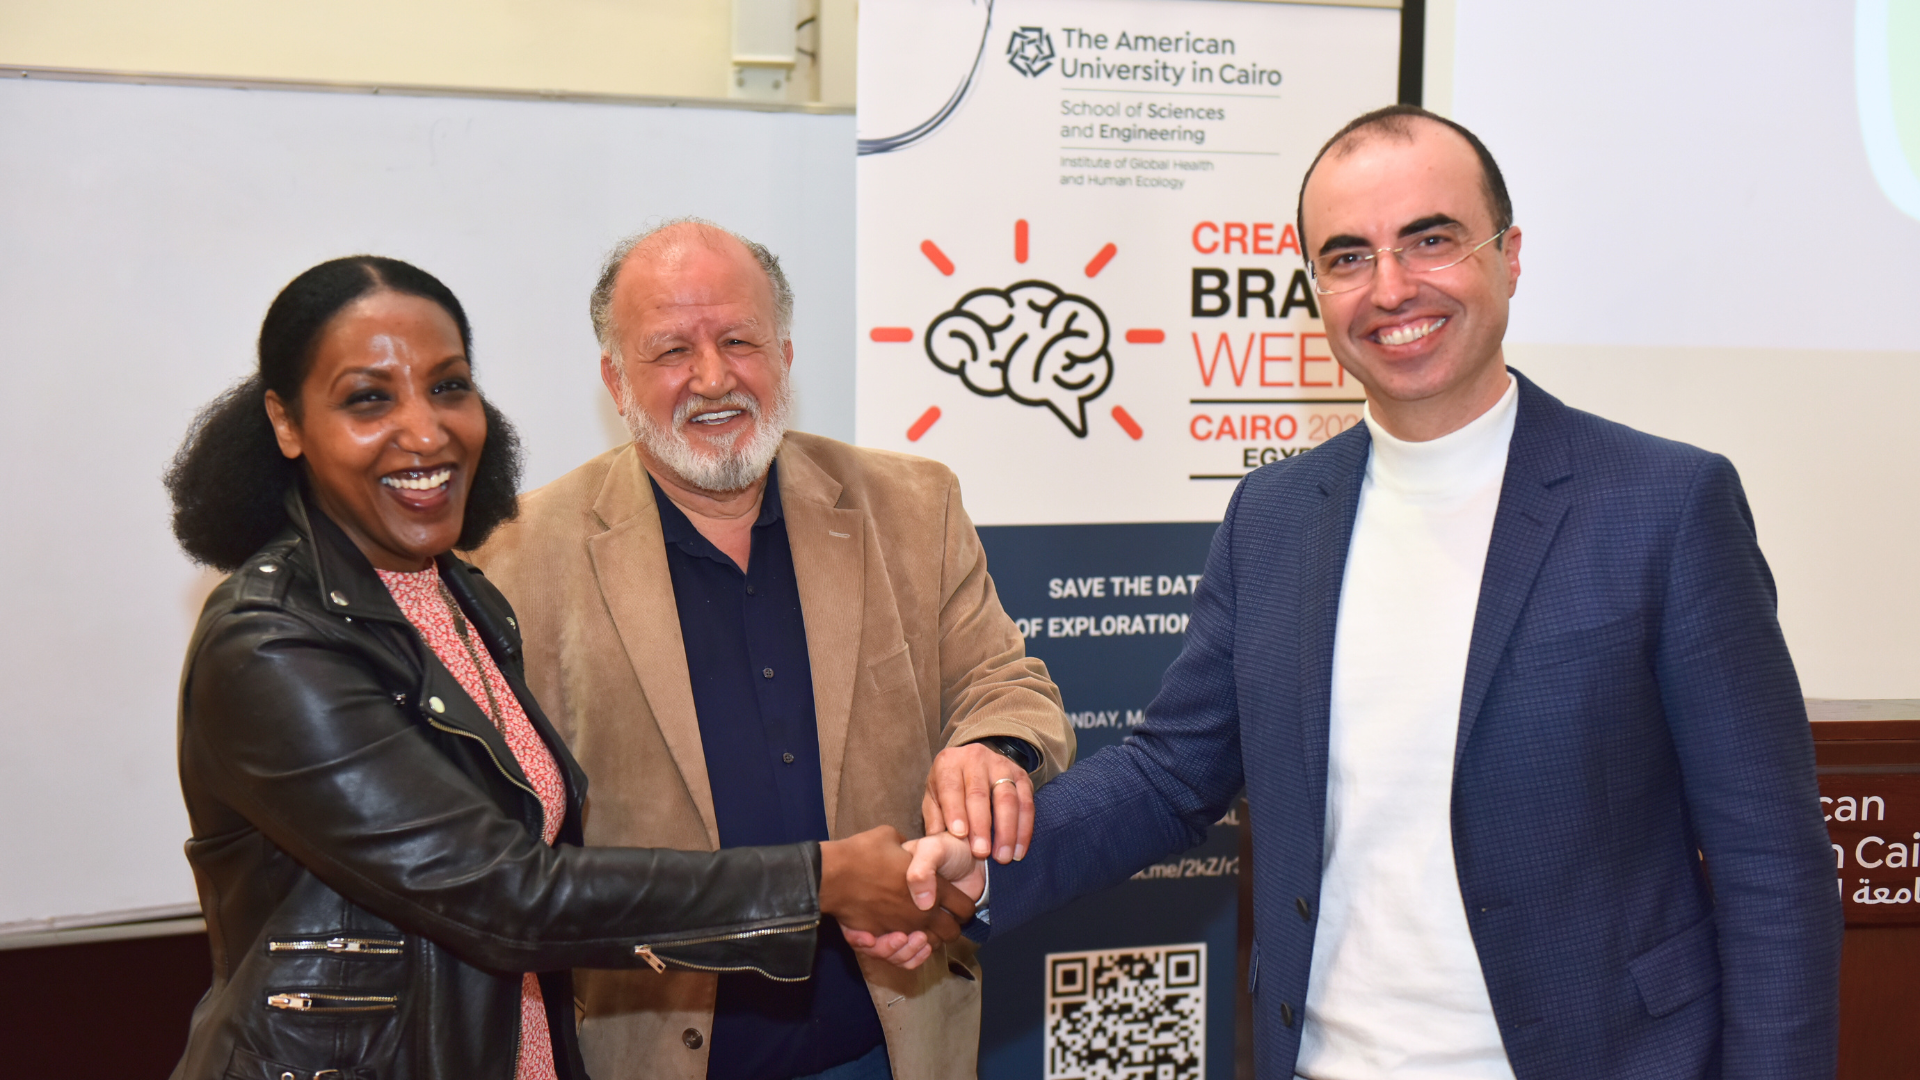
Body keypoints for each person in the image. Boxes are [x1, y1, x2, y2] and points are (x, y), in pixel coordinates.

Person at [949, 106, 1843, 1079]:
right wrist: (987, 868)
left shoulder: (1666, 506)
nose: (1390, 287)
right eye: (1347, 256)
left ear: (1508, 255)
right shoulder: (1272, 516)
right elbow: (1172, 777)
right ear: (1317, 290)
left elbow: (1771, 868)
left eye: (1431, 240)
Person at [163, 255, 983, 1080]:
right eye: (369, 398)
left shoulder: (452, 593)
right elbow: (507, 897)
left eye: (448, 386)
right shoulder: (268, 643)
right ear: (287, 421)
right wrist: (823, 881)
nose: (425, 429)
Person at [468, 219, 1074, 1080]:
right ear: (615, 377)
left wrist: (993, 746)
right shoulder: (512, 554)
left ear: (785, 352)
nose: (713, 377)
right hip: (652, 1055)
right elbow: (499, 845)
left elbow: (1003, 679)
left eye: (740, 340)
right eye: (671, 348)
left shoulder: (913, 503)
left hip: (891, 1046)